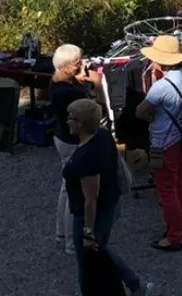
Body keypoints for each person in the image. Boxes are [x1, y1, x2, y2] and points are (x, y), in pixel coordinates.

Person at [62, 99, 148, 296]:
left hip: (91, 215)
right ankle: (135, 284)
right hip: (110, 203)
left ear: (81, 124)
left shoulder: (87, 158)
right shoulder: (102, 136)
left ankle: (130, 285)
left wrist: (87, 232)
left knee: (86, 261)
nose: (67, 121)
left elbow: (91, 199)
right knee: (100, 250)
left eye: (70, 118)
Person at [134, 35, 182, 250]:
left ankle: (173, 236)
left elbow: (140, 112)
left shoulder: (161, 86)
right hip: (181, 140)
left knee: (167, 190)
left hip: (163, 142)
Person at [49, 44, 97, 254]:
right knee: (75, 193)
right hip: (73, 141)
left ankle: (61, 233)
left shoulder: (56, 82)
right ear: (65, 66)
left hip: (61, 137)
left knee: (65, 187)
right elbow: (93, 109)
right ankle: (72, 242)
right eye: (77, 63)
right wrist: (94, 83)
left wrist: (78, 78)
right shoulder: (70, 92)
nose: (81, 66)